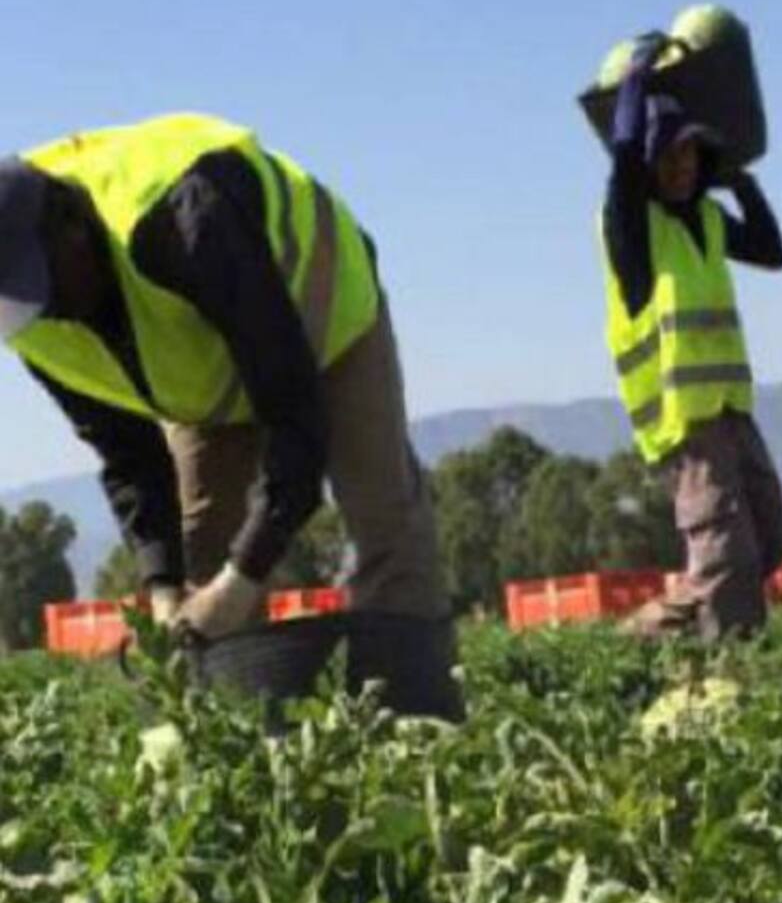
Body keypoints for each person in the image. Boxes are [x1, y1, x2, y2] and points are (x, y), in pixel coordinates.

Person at [0, 112, 448, 646]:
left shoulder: (178, 214)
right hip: (203, 380)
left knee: (383, 517)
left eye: (44, 283)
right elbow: (127, 454)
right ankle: (244, 718)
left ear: (71, 225)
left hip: (323, 318)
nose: (47, 309)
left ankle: (416, 708)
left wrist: (244, 576)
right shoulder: (26, 310)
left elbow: (294, 414)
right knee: (206, 554)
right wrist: (164, 587)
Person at [599, 36, 782, 640]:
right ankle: (737, 674)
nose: (681, 169)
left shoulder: (707, 220)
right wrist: (636, 79)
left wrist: (740, 181)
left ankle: (652, 629)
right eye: (669, 158)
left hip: (732, 413)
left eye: (691, 156)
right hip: (684, 425)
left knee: (772, 538)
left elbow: (772, 252)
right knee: (728, 555)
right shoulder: (632, 229)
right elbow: (626, 162)